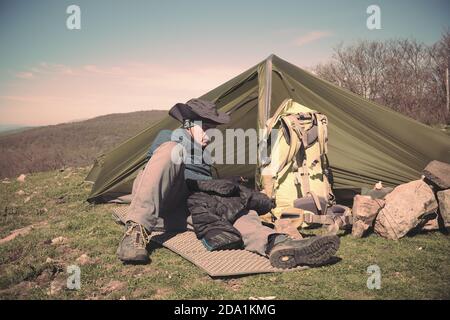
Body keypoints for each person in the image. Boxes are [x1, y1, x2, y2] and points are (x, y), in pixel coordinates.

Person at [116, 98, 340, 268]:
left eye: (211, 130)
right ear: (188, 124)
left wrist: (227, 190)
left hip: (184, 211)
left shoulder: (205, 155)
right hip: (162, 202)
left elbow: (204, 188)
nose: (208, 135)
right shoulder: (169, 138)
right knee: (170, 152)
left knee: (232, 207)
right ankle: (135, 232)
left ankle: (276, 243)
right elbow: (156, 174)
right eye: (204, 128)